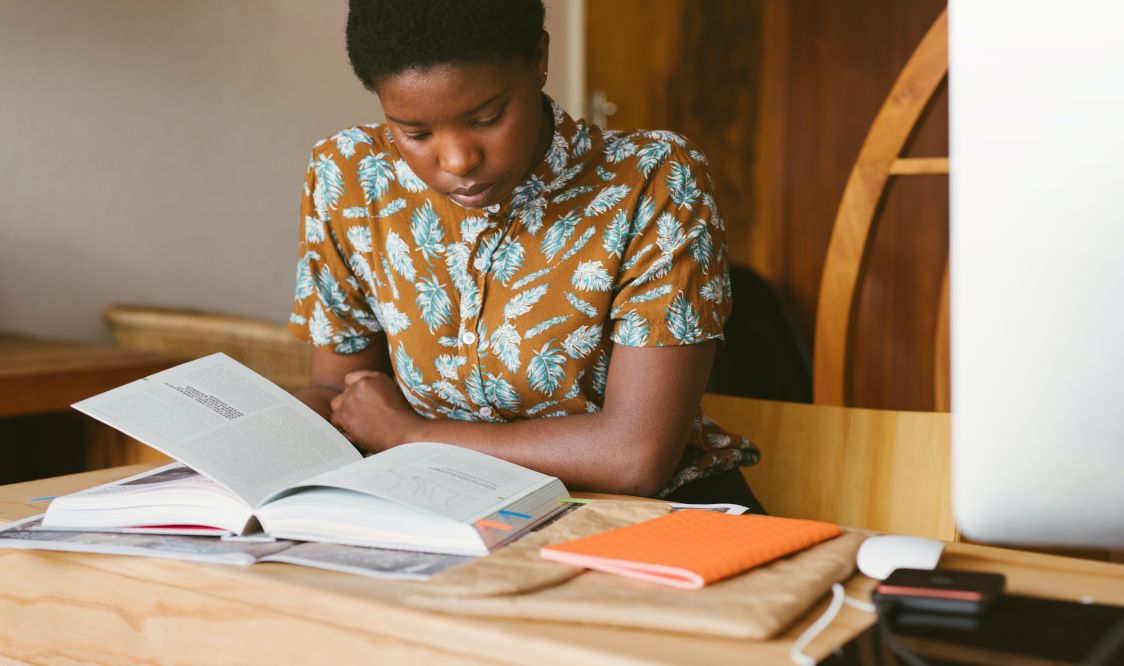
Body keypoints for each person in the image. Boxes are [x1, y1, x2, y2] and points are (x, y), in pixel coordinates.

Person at [289, 0, 763, 509]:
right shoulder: (351, 177)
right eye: (416, 133)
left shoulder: (652, 180)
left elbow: (635, 458)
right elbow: (347, 398)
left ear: (539, 58)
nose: (457, 161)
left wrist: (412, 435)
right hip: (445, 511)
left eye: (487, 117)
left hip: (647, 519)